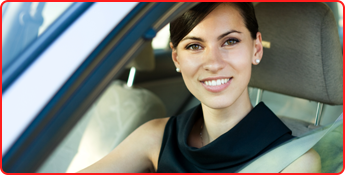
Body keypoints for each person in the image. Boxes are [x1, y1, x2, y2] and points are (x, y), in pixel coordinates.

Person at [77, 2, 321, 173]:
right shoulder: (156, 136)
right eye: (194, 46)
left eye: (230, 41)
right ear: (176, 59)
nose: (213, 63)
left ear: (256, 49)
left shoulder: (295, 163)